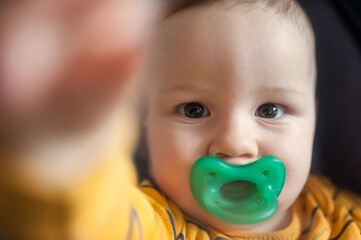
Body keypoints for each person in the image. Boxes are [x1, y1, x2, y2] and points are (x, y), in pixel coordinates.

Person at [138, 0, 361, 239]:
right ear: (145, 125)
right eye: (194, 110)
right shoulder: (149, 222)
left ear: (313, 122)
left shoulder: (338, 214)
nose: (235, 143)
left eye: (269, 111)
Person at [0, 0, 161, 239]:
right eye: (193, 110)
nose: (233, 140)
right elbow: (103, 222)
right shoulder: (159, 224)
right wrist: (63, 144)